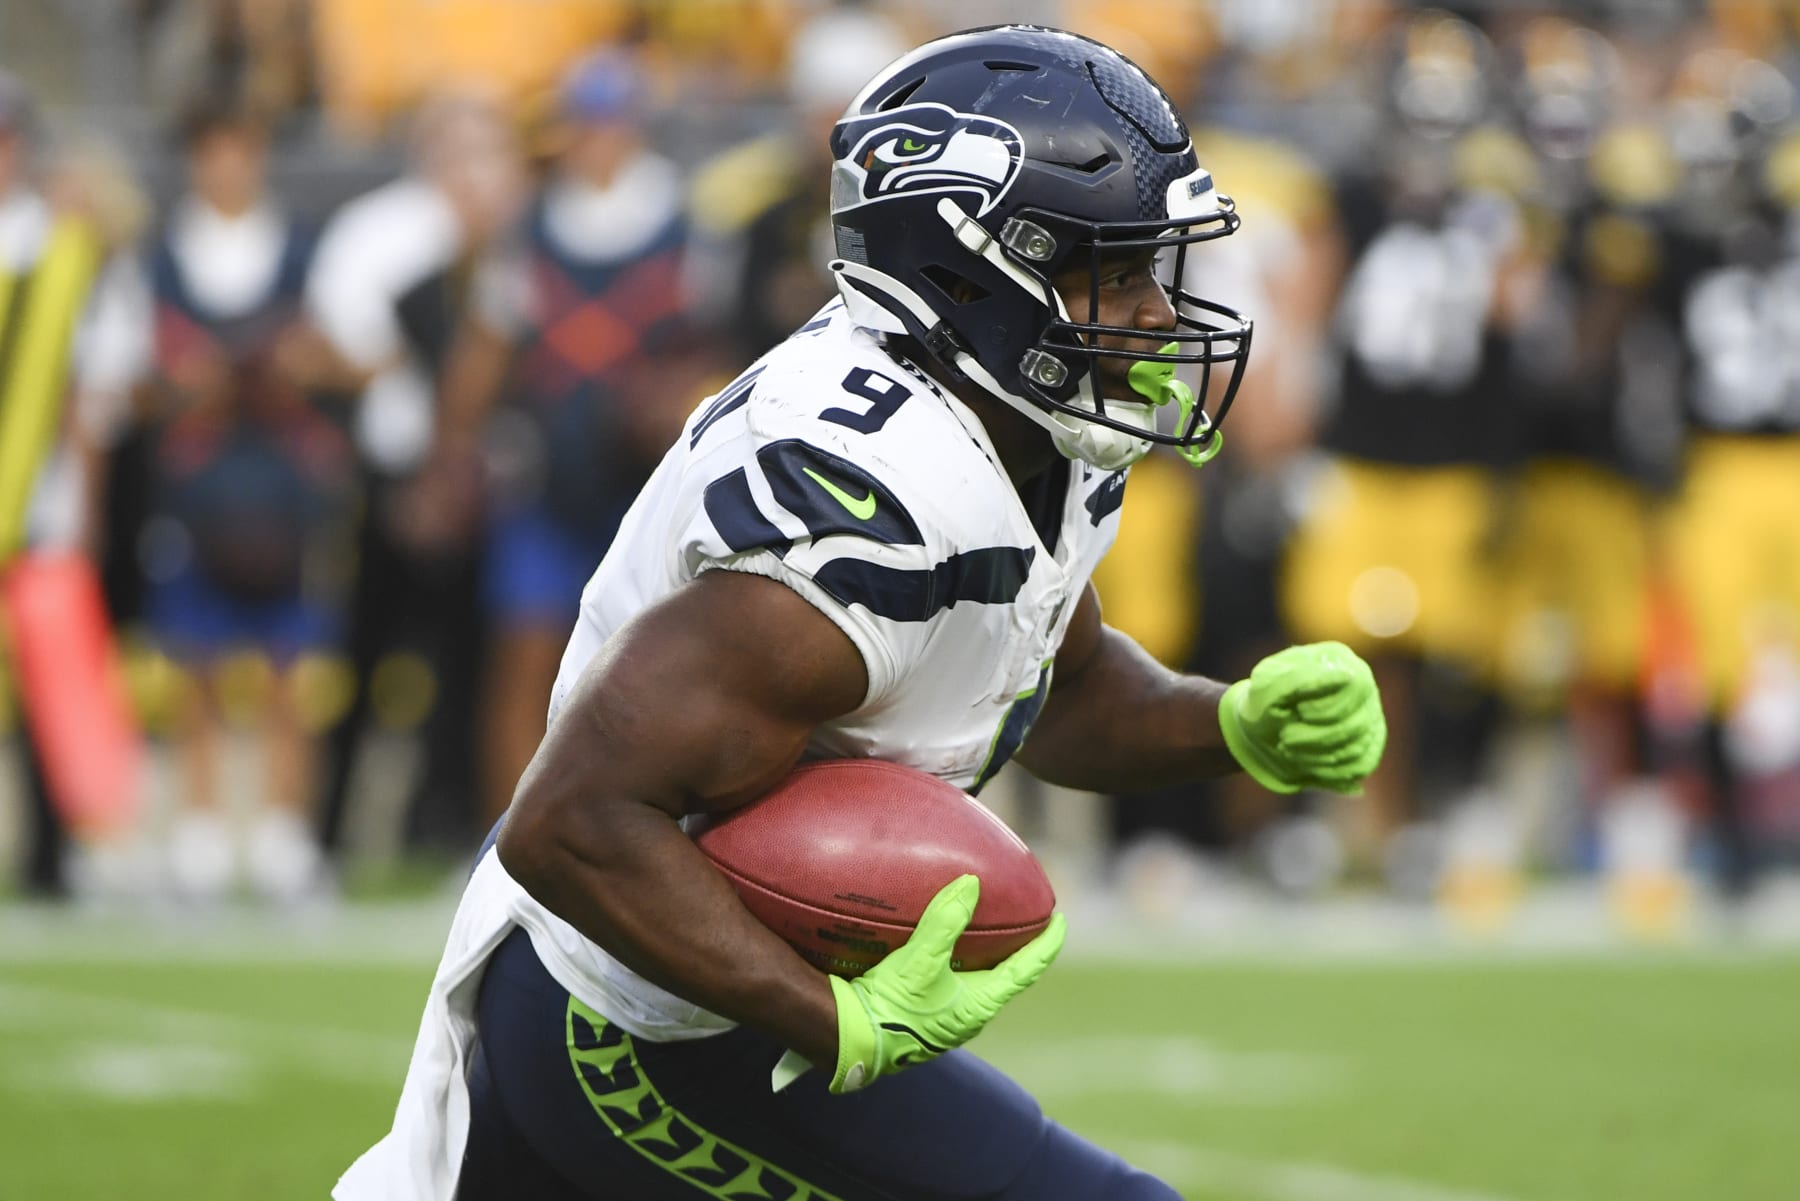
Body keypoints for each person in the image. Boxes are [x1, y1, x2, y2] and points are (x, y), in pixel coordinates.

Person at [336, 27, 1385, 1201]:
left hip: (712, 995)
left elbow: (1053, 686)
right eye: (1113, 270)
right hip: (637, 1014)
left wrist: (1228, 723)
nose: (1152, 313)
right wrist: (833, 1021)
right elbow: (571, 818)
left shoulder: (1025, 417)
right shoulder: (862, 506)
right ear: (972, 273)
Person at [142, 97, 349, 902]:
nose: (228, 165)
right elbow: (132, 380)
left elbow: (352, 358)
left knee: (292, 665)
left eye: (242, 148)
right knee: (192, 659)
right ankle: (198, 832)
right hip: (198, 487)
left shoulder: (307, 249)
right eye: (214, 150)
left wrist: (299, 365)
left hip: (284, 486)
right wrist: (183, 383)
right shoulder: (161, 256)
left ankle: (281, 832)